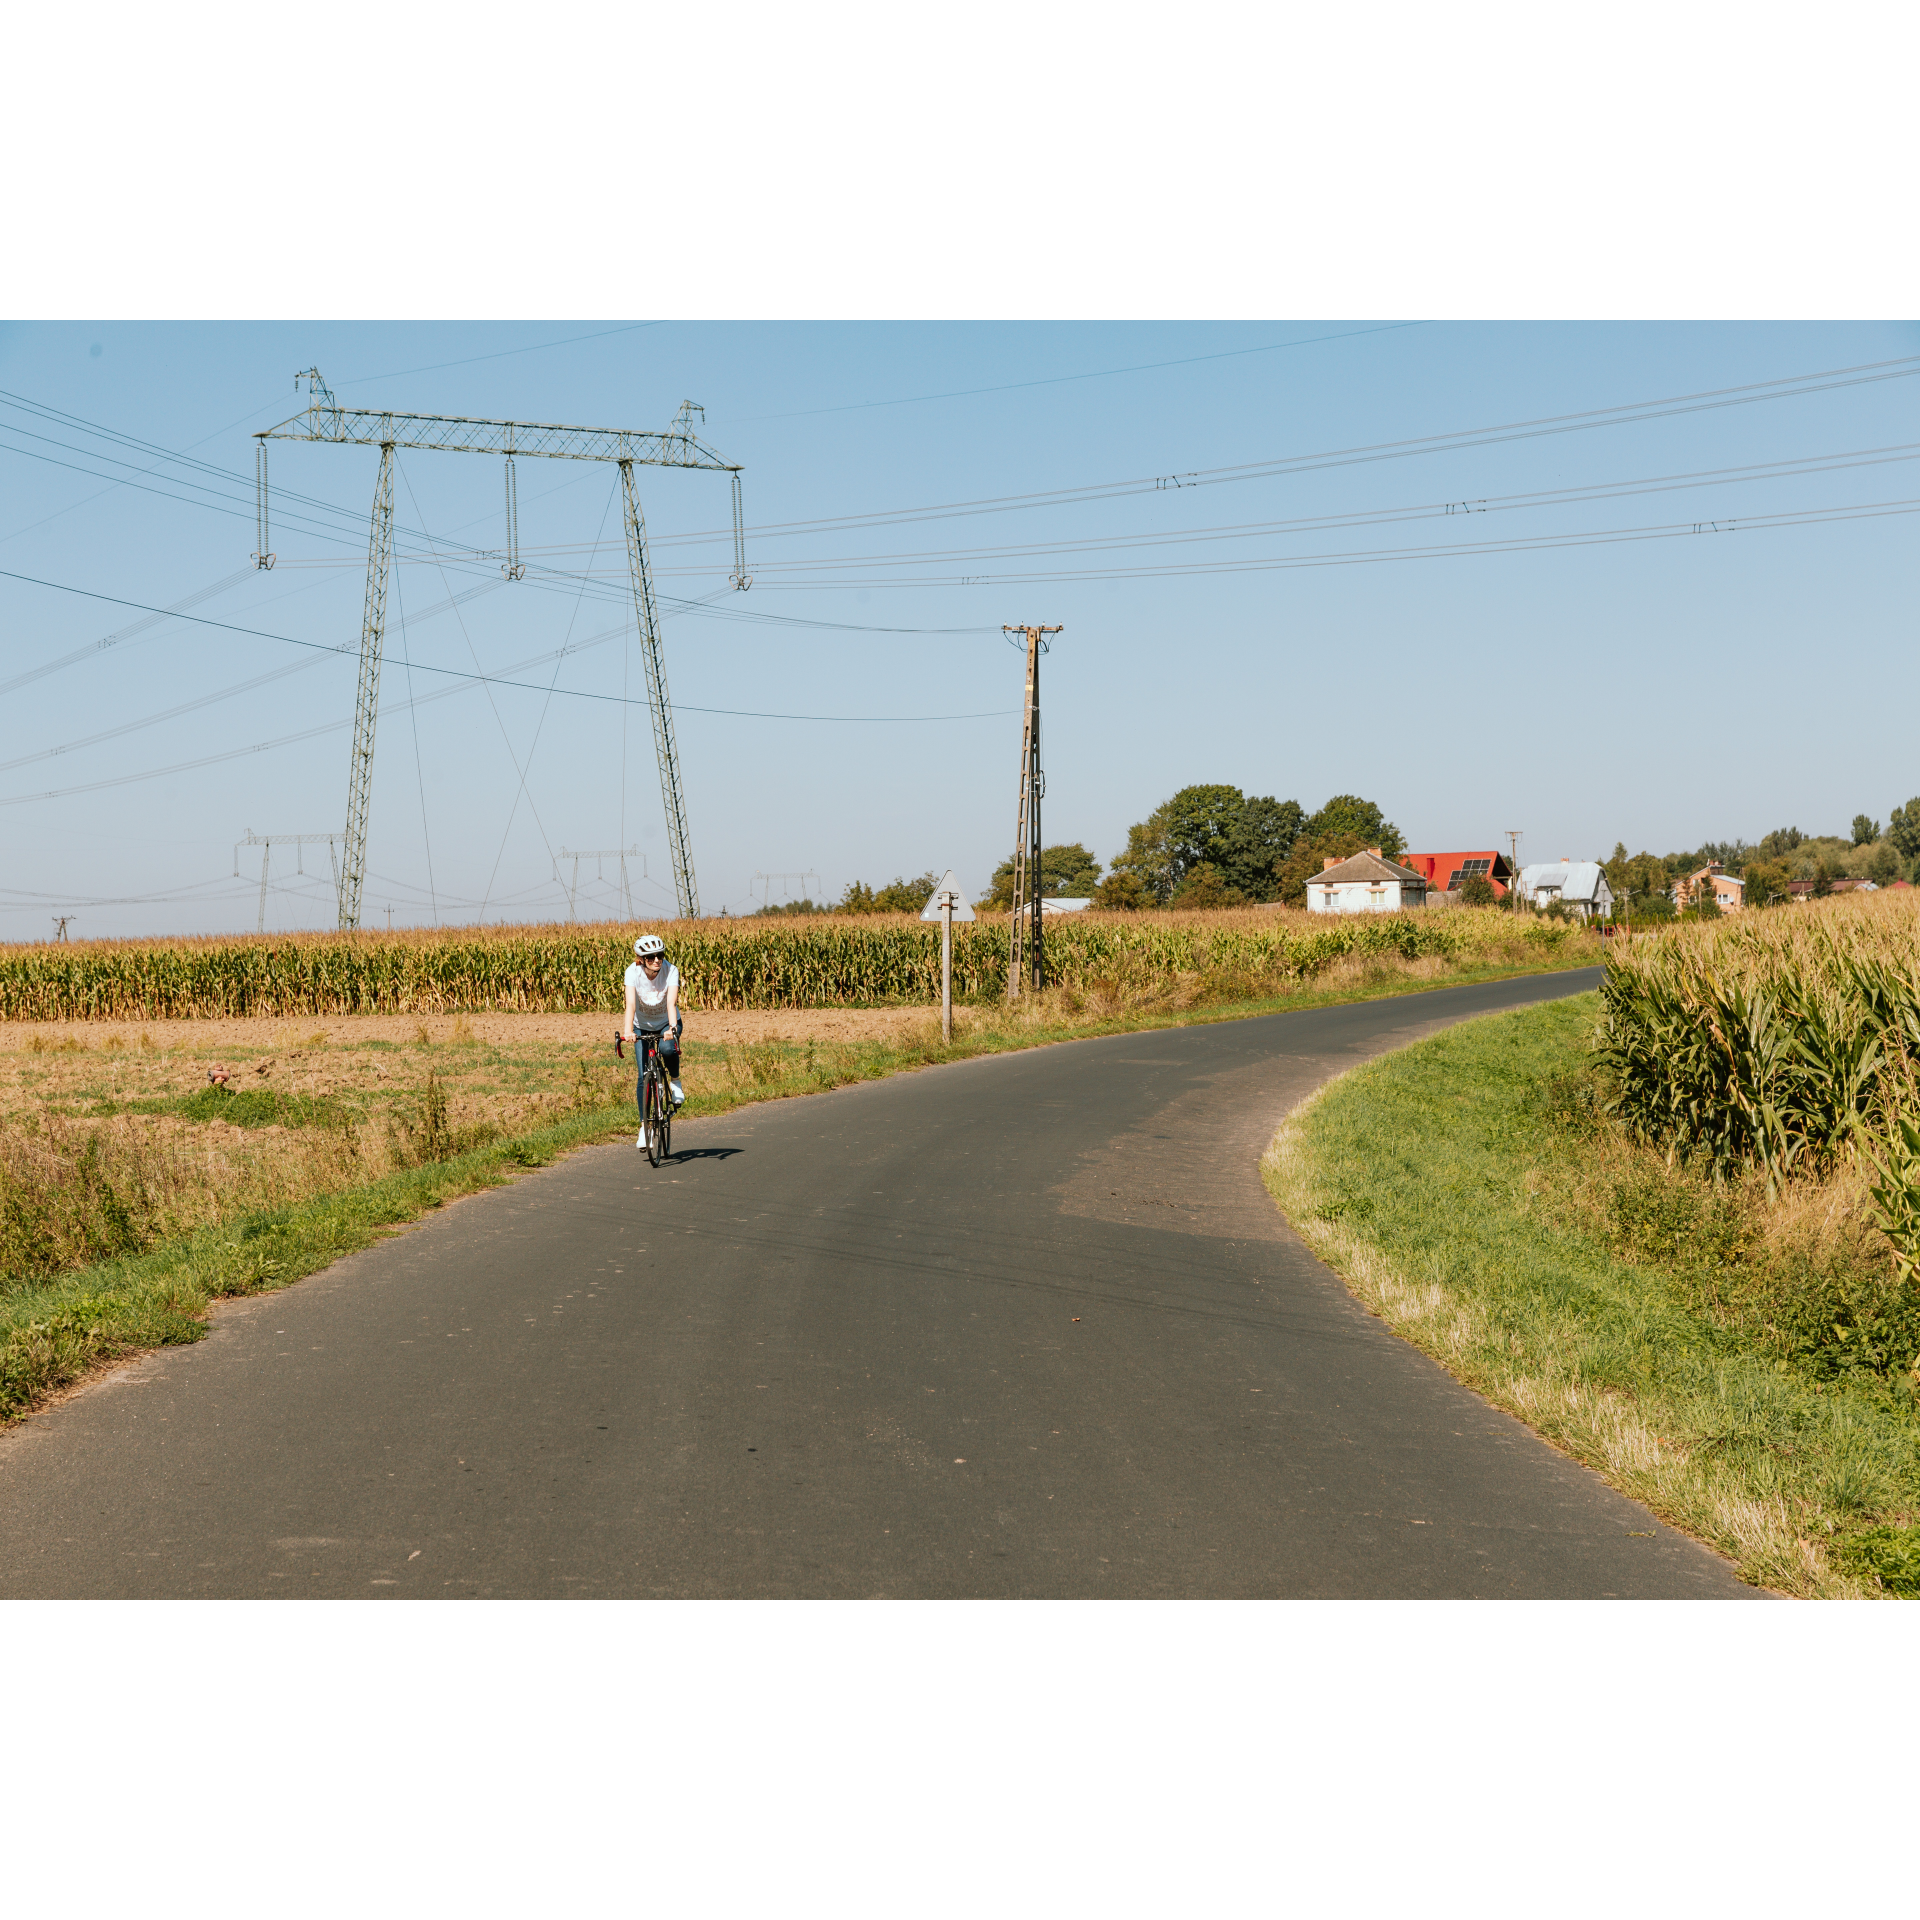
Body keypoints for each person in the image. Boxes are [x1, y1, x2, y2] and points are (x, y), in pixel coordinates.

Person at [621, 934, 684, 1147]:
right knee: (642, 1075)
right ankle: (644, 1128)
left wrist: (672, 1029)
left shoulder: (670, 970)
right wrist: (628, 1031)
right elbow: (630, 1005)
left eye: (660, 955)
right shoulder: (632, 972)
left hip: (667, 1023)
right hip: (642, 1026)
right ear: (640, 959)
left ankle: (675, 1082)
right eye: (650, 957)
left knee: (667, 1049)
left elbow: (671, 1003)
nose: (656, 960)